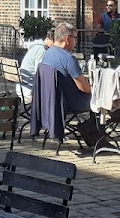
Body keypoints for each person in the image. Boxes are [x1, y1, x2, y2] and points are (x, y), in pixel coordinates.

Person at [39, 22, 100, 150]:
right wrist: (98, 89)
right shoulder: (68, 58)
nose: (76, 42)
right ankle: (96, 137)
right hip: (68, 103)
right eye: (75, 38)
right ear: (67, 39)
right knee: (101, 99)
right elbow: (84, 88)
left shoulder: (48, 54)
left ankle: (92, 133)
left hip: (50, 101)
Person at [18, 32, 54, 102]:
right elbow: (39, 72)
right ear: (51, 40)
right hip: (28, 90)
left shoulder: (36, 47)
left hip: (22, 87)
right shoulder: (41, 50)